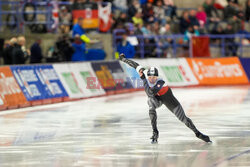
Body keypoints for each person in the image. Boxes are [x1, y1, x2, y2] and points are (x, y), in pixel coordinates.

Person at [118, 53, 211, 144]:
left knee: (184, 119)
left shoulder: (160, 82)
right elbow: (135, 65)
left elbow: (149, 93)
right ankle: (155, 132)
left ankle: (198, 133)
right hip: (157, 99)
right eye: (150, 77)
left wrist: (143, 79)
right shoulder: (145, 73)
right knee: (150, 103)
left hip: (168, 99)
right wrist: (123, 59)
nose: (151, 79)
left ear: (157, 77)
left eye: (154, 77)